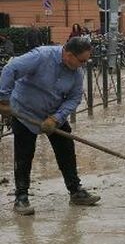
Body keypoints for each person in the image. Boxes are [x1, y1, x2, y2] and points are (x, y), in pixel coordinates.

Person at [0, 38, 99, 215]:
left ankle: (75, 191)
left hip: (53, 114)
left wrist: (56, 118)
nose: (83, 65)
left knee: (66, 150)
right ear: (69, 55)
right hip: (24, 112)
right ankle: (21, 197)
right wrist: (4, 99)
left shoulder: (76, 73)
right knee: (24, 154)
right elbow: (10, 69)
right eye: (81, 60)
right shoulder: (41, 56)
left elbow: (74, 98)